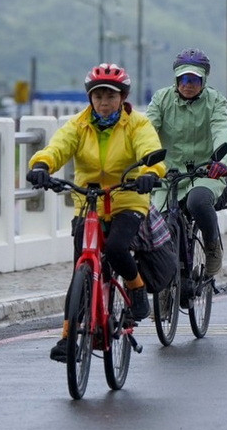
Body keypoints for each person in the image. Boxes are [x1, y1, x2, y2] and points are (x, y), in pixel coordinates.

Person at [26, 63, 166, 362]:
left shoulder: (137, 124)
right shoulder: (79, 124)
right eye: (98, 96)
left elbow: (148, 149)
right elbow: (58, 147)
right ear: (90, 98)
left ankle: (136, 287)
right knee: (81, 267)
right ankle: (67, 337)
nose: (104, 103)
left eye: (111, 97)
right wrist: (41, 165)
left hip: (127, 198)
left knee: (116, 248)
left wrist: (150, 172)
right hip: (88, 201)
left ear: (123, 98)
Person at [145, 48, 227, 276]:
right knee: (157, 224)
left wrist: (220, 161)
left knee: (198, 201)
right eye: (183, 78)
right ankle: (164, 287)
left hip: (205, 173)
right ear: (176, 79)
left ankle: (212, 246)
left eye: (194, 79)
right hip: (168, 176)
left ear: (203, 81)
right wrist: (143, 162)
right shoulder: (161, 99)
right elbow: (146, 131)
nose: (188, 84)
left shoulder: (215, 101)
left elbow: (222, 129)